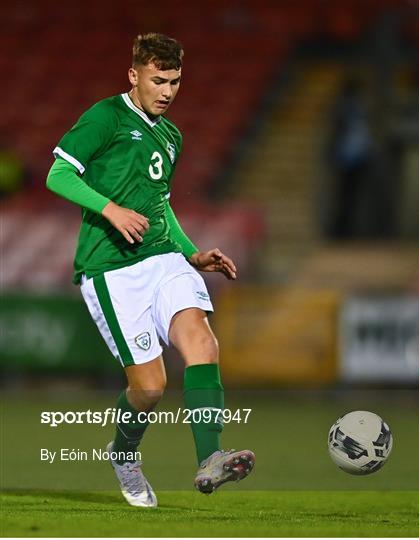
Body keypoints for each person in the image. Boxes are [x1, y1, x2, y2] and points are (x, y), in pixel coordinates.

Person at [46, 32, 255, 508]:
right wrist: (111, 209)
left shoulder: (171, 135)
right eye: (157, 80)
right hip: (109, 268)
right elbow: (57, 175)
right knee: (150, 388)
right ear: (133, 75)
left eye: (175, 81)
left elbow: (160, 205)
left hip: (161, 258)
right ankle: (123, 453)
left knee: (202, 342)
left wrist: (191, 253)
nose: (167, 91)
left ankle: (211, 458)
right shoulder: (105, 117)